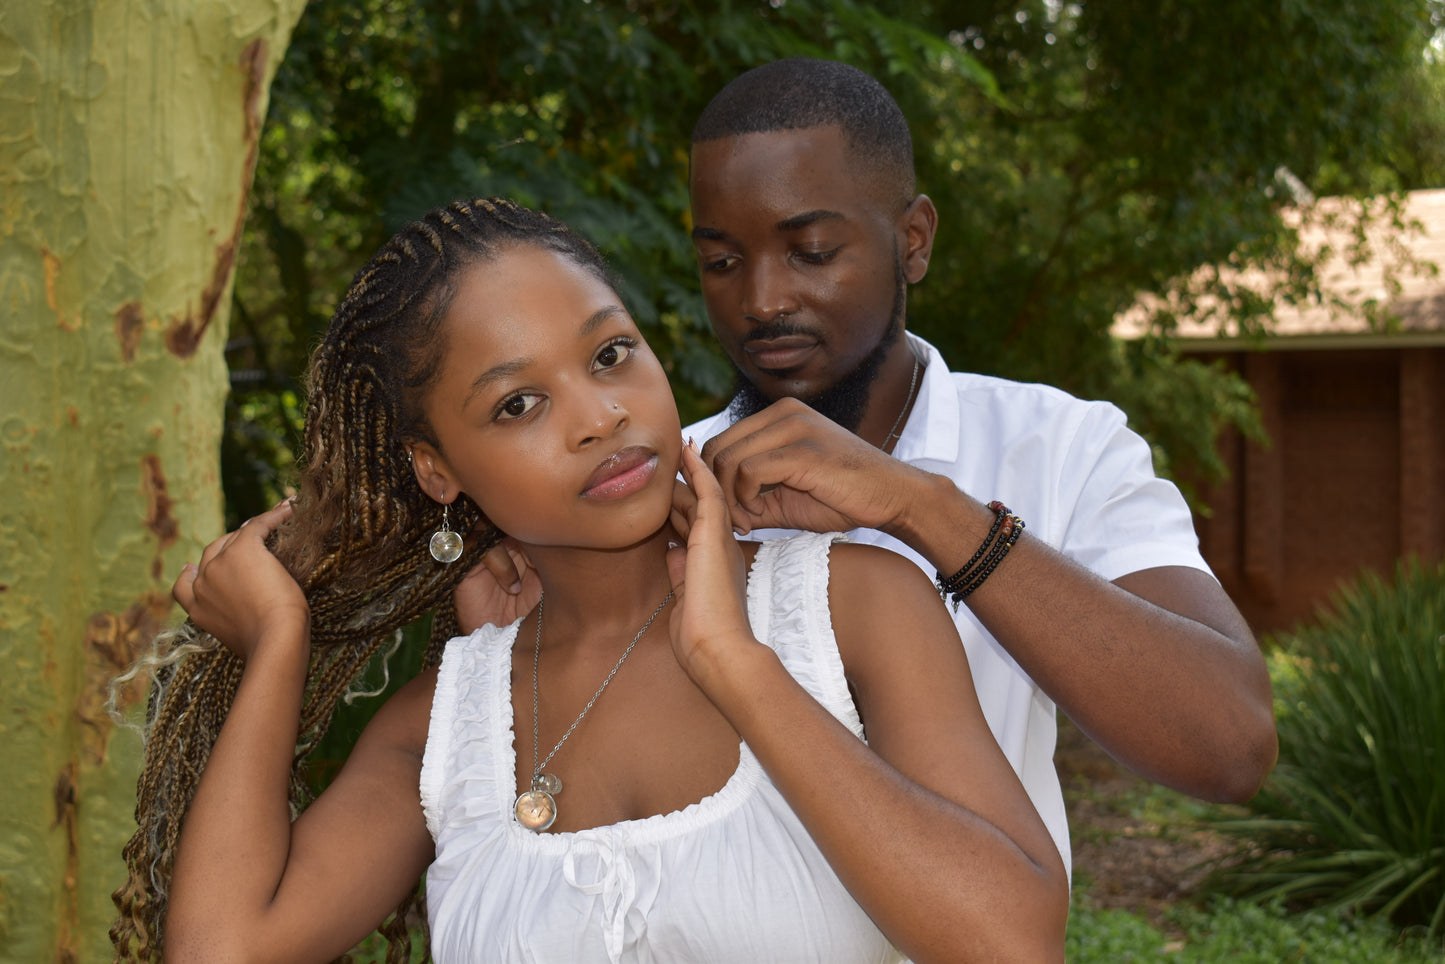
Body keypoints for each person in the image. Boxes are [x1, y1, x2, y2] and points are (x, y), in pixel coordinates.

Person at [112, 198, 1067, 964]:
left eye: (611, 354)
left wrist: (731, 660)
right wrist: (280, 644)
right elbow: (222, 949)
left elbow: (1011, 940)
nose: (599, 416)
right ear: (437, 470)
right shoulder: (447, 724)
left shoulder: (848, 605)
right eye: (518, 402)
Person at [472, 58, 1278, 876]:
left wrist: (923, 509)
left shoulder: (1060, 445)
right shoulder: (654, 489)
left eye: (810, 251)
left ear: (913, 240)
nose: (761, 299)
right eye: (721, 262)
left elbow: (1229, 747)